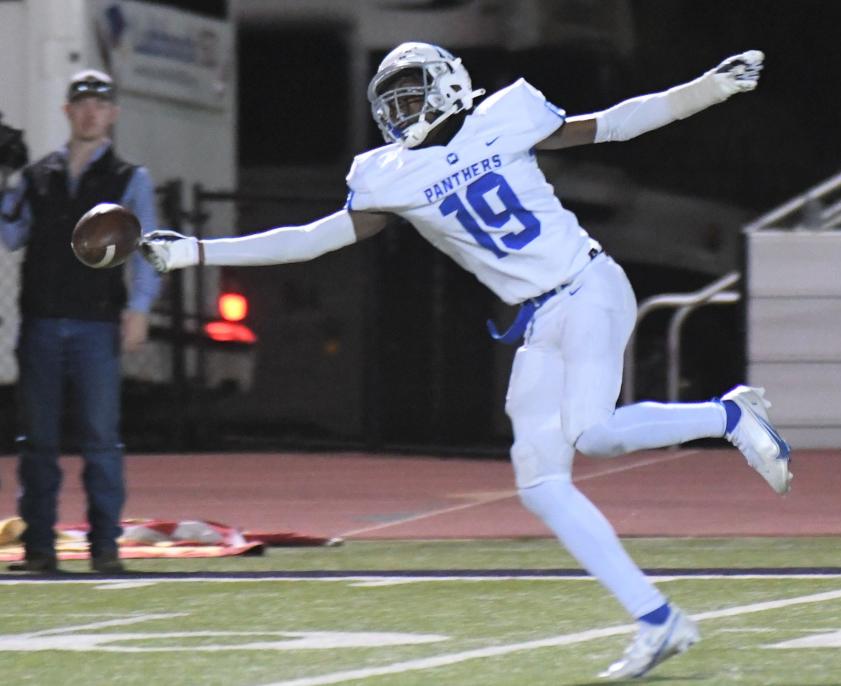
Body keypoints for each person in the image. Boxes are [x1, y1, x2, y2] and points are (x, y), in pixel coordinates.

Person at [141, 43, 792, 679]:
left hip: (588, 285)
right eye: (390, 101)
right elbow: (312, 240)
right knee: (541, 484)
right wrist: (198, 251)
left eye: (410, 93)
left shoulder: (505, 115)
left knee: (593, 432)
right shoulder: (387, 174)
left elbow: (616, 123)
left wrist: (708, 89)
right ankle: (657, 620)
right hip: (540, 316)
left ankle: (728, 415)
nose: (400, 111)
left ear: (448, 83)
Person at [0, 69, 161, 574]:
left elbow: (148, 247)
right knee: (38, 444)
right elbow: (10, 234)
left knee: (100, 442)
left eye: (100, 103)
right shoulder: (38, 176)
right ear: (68, 111)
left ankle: (105, 549)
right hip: (43, 322)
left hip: (96, 324)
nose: (91, 111)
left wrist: (138, 309)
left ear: (111, 114)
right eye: (82, 103)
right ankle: (40, 549)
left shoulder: (128, 177)